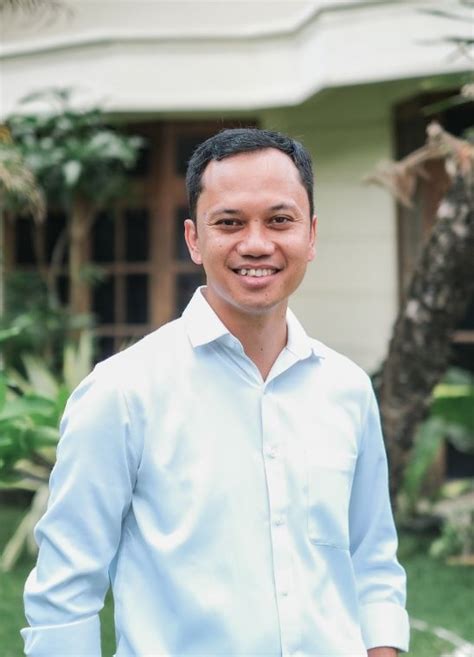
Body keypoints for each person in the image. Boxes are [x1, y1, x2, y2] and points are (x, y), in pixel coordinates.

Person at [22, 128, 409, 657]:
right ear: (193, 239)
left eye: (280, 220)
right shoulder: (123, 392)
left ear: (312, 235)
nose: (256, 243)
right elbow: (64, 593)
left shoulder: (347, 389)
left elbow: (372, 559)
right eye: (229, 222)